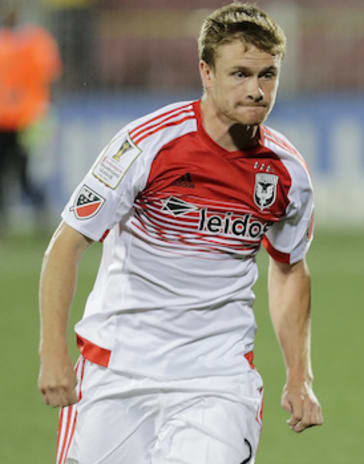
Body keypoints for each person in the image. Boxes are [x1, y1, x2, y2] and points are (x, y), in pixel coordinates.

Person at [37, 3, 322, 463]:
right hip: (117, 368)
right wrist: (52, 351)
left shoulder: (287, 171)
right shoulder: (147, 143)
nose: (257, 90)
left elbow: (290, 270)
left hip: (216, 377)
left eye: (268, 75)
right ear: (206, 72)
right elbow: (67, 243)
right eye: (240, 74)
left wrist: (299, 375)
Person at [0, 3, 61, 231]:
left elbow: (49, 77)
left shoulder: (37, 41)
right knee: (5, 172)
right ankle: (6, 222)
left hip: (28, 119)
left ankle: (41, 217)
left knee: (29, 172)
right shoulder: (33, 41)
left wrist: (46, 110)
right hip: (3, 119)